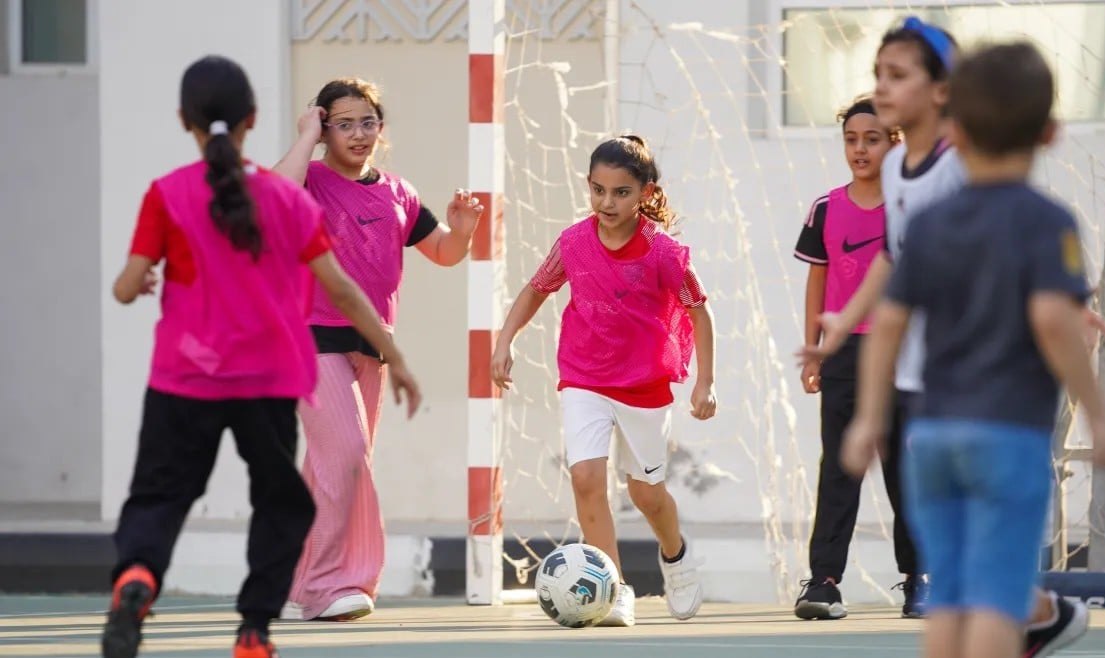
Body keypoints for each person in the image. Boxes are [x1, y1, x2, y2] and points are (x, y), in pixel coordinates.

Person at [101, 56, 421, 658]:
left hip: (182, 380)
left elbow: (125, 287)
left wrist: (137, 284)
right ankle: (254, 628)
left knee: (160, 496)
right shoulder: (287, 201)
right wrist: (396, 355)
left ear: (183, 120)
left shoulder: (167, 193)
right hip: (265, 378)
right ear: (252, 119)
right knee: (278, 499)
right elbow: (343, 288)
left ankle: (137, 574)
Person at [798, 17, 1100, 653]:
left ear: (948, 102)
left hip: (938, 405)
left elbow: (908, 293)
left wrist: (868, 411)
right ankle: (1029, 610)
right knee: (984, 590)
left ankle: (1028, 608)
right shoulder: (930, 182)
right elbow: (905, 274)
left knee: (959, 589)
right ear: (1048, 133)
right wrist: (1099, 411)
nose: (882, 85)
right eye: (878, 73)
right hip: (984, 412)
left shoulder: (947, 186)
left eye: (897, 74)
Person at [271, 77, 483, 621]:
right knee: (346, 458)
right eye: (344, 123)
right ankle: (338, 584)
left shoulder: (400, 192)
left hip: (373, 347)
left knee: (329, 467)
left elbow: (443, 252)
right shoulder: (311, 178)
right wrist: (306, 137)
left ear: (381, 128)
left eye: (368, 122)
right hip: (311, 342)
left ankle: (298, 581)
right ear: (323, 127)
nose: (359, 133)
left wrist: (462, 231)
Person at [489, 135, 713, 627]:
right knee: (586, 478)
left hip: (645, 388)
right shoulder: (573, 242)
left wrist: (704, 382)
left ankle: (674, 557)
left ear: (646, 194)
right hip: (584, 378)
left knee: (647, 496)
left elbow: (699, 310)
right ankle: (614, 589)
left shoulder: (664, 252)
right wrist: (504, 342)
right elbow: (535, 289)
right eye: (598, 190)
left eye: (620, 193)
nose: (607, 203)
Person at [793, 96, 919, 620]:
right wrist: (816, 351)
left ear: (895, 143)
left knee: (905, 469)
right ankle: (824, 581)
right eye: (851, 140)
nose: (860, 149)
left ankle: (921, 578)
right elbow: (817, 281)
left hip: (904, 354)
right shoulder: (826, 208)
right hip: (845, 355)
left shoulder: (911, 206)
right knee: (840, 467)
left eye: (872, 139)